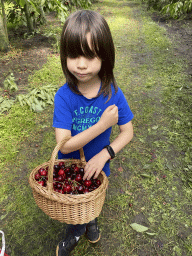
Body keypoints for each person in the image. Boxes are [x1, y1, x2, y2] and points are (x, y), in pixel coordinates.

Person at [53, 9, 134, 256]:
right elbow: (64, 145)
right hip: (72, 168)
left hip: (99, 165)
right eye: (73, 55)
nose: (80, 64)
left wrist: (105, 154)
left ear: (105, 56)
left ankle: (91, 221)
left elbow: (127, 132)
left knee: (93, 201)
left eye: (90, 55)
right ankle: (75, 230)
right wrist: (101, 125)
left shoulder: (113, 93)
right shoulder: (64, 97)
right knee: (74, 203)